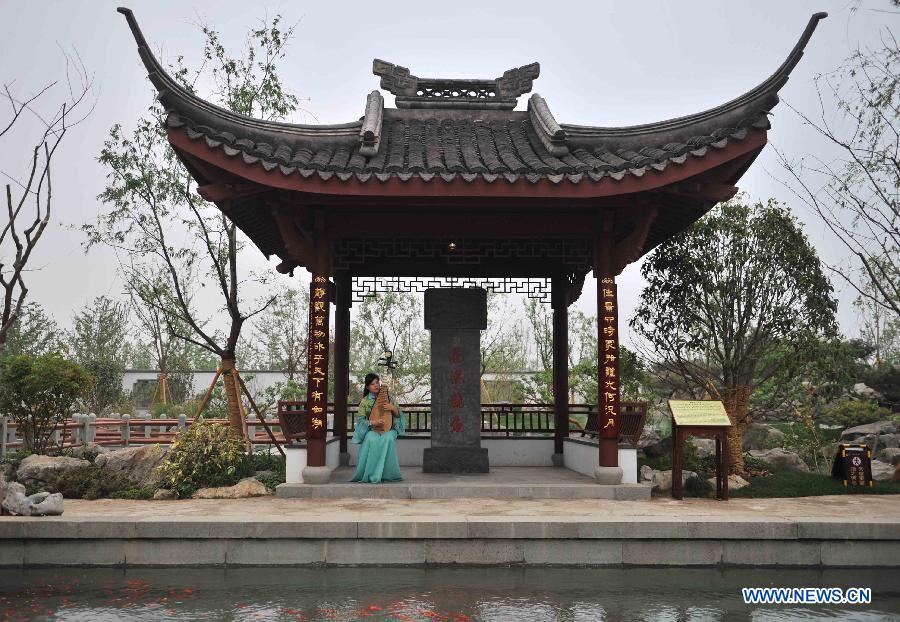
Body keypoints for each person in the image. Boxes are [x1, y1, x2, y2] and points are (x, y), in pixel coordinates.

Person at [350, 373, 405, 483]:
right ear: (367, 387)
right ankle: (371, 473)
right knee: (370, 439)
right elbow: (361, 421)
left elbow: (399, 415)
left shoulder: (389, 398)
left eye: (377, 383)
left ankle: (388, 474)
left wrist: (392, 408)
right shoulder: (364, 402)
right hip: (373, 430)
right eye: (372, 384)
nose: (376, 385)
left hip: (390, 429)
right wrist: (373, 422)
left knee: (388, 438)